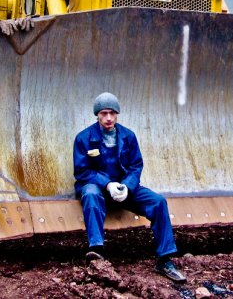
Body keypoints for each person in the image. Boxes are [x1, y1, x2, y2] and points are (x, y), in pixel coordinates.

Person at [73, 92, 186, 283]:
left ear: (117, 114)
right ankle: (97, 252)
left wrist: (126, 186)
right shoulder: (83, 138)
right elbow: (82, 171)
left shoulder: (129, 136)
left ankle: (165, 259)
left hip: (123, 188)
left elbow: (135, 166)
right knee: (90, 194)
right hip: (98, 188)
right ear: (97, 115)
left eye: (112, 113)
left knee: (158, 202)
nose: (108, 118)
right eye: (103, 113)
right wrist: (107, 184)